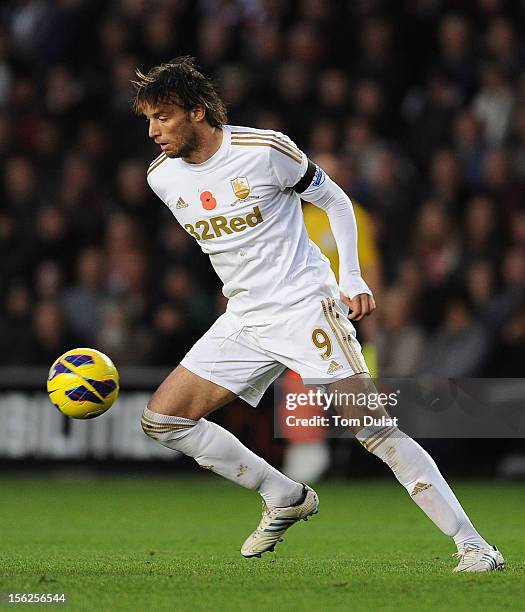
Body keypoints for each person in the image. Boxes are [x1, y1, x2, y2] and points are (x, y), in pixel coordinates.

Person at [131, 56, 504, 571]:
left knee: (374, 431)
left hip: (306, 307)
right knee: (163, 420)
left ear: (197, 112)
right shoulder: (162, 178)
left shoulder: (265, 151)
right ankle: (284, 494)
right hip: (246, 318)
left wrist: (350, 277)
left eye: (162, 117)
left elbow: (338, 202)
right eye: (147, 119)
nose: (152, 131)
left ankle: (475, 546)